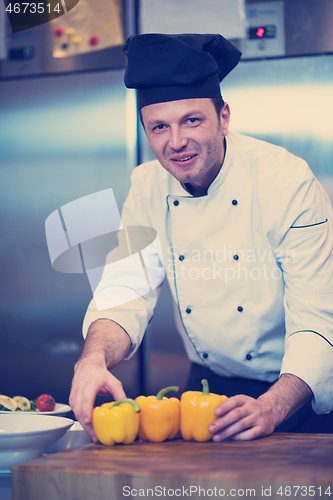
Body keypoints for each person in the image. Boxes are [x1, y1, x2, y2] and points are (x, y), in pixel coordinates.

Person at [69, 33, 333, 442]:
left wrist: (273, 405)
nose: (176, 142)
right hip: (208, 393)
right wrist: (92, 358)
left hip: (297, 393)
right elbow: (126, 287)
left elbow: (319, 317)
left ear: (224, 117)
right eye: (159, 127)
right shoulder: (147, 185)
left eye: (192, 120)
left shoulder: (286, 182)